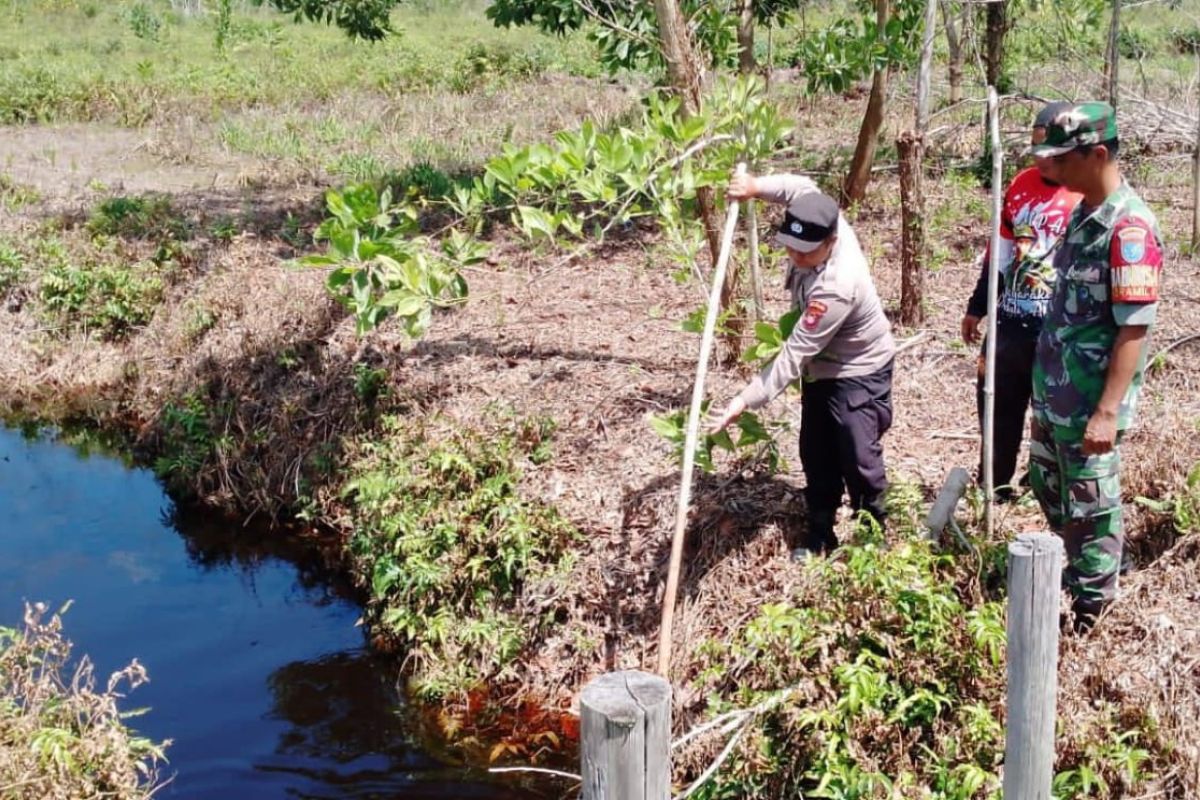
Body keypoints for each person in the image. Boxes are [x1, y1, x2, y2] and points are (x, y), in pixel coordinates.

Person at [711, 172, 896, 557]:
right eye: (789, 247)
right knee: (816, 449)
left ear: (831, 242)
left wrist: (743, 401)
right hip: (820, 369)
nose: (795, 256)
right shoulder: (821, 214)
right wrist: (755, 186)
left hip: (859, 369)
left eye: (805, 251)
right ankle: (820, 531)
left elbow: (794, 355)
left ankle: (872, 538)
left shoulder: (836, 286)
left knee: (858, 455)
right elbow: (799, 187)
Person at [1028, 102, 1163, 627]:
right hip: (1055, 393)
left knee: (1091, 503)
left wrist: (1107, 412)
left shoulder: (1128, 230)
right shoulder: (1083, 212)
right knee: (1048, 484)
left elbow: (1134, 327)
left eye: (1061, 159)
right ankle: (1085, 567)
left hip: (1089, 400)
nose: (1049, 168)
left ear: (1098, 154)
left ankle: (1095, 605)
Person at [962, 101, 1083, 500]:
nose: (1044, 163)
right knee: (996, 407)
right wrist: (978, 306)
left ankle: (1047, 490)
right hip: (1010, 321)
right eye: (1038, 155)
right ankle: (994, 486)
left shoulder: (1083, 196)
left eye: (1052, 155)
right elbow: (1000, 251)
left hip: (1057, 331)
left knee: (1050, 415)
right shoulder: (1019, 184)